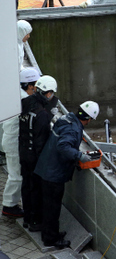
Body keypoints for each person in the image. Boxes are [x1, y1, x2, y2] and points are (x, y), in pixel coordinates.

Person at [34, 101, 99, 249]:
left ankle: (51, 233)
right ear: (89, 119)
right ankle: (51, 239)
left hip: (47, 167)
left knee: (49, 206)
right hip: (54, 174)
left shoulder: (67, 119)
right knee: (53, 207)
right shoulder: (73, 129)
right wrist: (79, 156)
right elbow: (63, 146)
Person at [18, 75, 58, 232]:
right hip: (34, 156)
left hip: (23, 151)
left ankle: (27, 218)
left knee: (26, 185)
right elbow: (40, 140)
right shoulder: (42, 114)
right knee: (35, 188)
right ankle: (35, 221)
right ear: (48, 94)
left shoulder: (25, 102)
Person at [1, 67, 40, 218]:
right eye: (36, 85)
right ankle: (9, 206)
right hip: (13, 142)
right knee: (16, 175)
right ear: (30, 85)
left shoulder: (16, 93)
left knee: (15, 173)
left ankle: (11, 204)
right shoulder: (24, 100)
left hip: (10, 139)